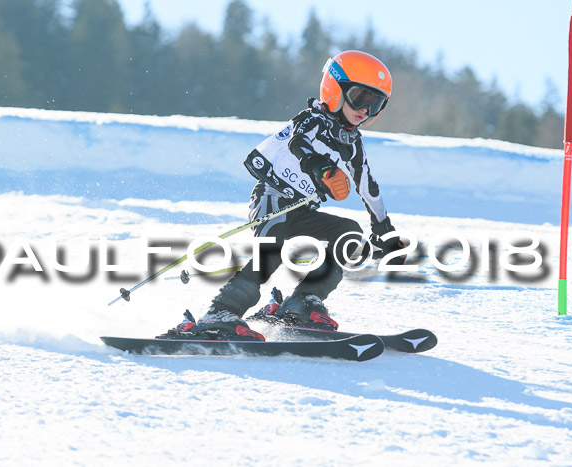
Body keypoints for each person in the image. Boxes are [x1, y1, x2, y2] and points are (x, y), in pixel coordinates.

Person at [163, 50, 405, 341]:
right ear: (334, 88)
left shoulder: (353, 143)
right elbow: (297, 143)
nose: (365, 110)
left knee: (348, 234)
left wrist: (383, 229)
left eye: (375, 103)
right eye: (360, 98)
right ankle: (220, 312)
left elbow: (368, 185)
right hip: (272, 196)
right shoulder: (312, 120)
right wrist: (321, 168)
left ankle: (302, 302)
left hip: (303, 212)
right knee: (271, 250)